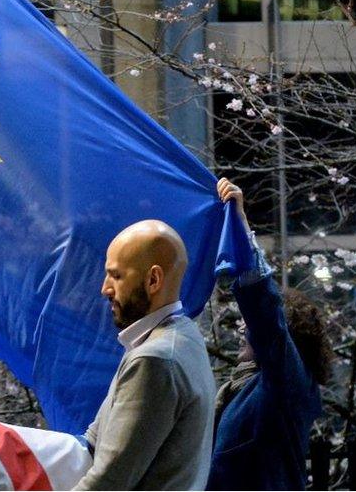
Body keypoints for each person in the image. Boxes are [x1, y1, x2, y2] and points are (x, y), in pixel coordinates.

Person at [207, 178, 333, 490]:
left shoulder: (286, 383)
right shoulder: (252, 386)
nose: (240, 328)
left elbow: (265, 313)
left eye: (246, 324)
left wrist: (241, 225)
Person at [73, 220, 216, 490]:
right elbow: (94, 439)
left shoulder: (154, 360)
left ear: (153, 280)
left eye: (116, 276)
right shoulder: (185, 338)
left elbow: (109, 481)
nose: (105, 288)